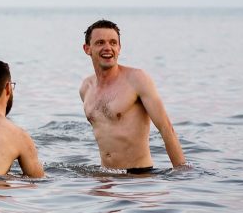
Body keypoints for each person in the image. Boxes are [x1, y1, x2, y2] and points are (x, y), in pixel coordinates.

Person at [79, 19, 187, 173]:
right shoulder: (86, 87)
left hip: (138, 178)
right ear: (87, 48)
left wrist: (182, 174)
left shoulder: (137, 79)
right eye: (100, 43)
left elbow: (166, 128)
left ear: (119, 48)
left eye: (113, 43)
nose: (107, 48)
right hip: (104, 178)